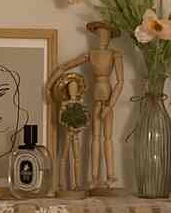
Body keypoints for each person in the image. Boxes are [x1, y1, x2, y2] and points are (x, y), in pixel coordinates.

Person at [47, 23, 124, 190]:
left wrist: (110, 105)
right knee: (95, 137)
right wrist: (49, 85)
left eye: (105, 34)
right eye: (99, 33)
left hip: (108, 95)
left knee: (107, 138)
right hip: (96, 95)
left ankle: (110, 175)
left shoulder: (115, 54)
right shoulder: (91, 54)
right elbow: (64, 67)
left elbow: (120, 82)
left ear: (110, 36)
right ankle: (94, 177)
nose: (102, 37)